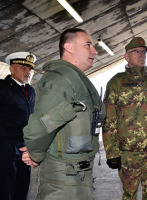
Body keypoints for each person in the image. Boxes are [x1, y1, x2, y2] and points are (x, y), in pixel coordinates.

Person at [22, 28, 101, 200]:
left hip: (76, 176)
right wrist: (36, 154)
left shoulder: (75, 79)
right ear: (69, 47)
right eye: (88, 45)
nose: (94, 51)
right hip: (62, 181)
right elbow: (43, 124)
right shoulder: (59, 79)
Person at [103, 37, 147, 200]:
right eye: (136, 52)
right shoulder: (117, 82)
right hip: (129, 153)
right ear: (126, 56)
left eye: (144, 52)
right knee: (129, 194)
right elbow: (109, 119)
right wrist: (111, 151)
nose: (141, 55)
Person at [0, 52, 36, 200]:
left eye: (29, 70)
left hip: (24, 145)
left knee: (22, 184)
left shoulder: (30, 90)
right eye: (23, 68)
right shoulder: (2, 87)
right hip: (5, 145)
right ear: (11, 69)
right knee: (4, 186)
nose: (27, 72)